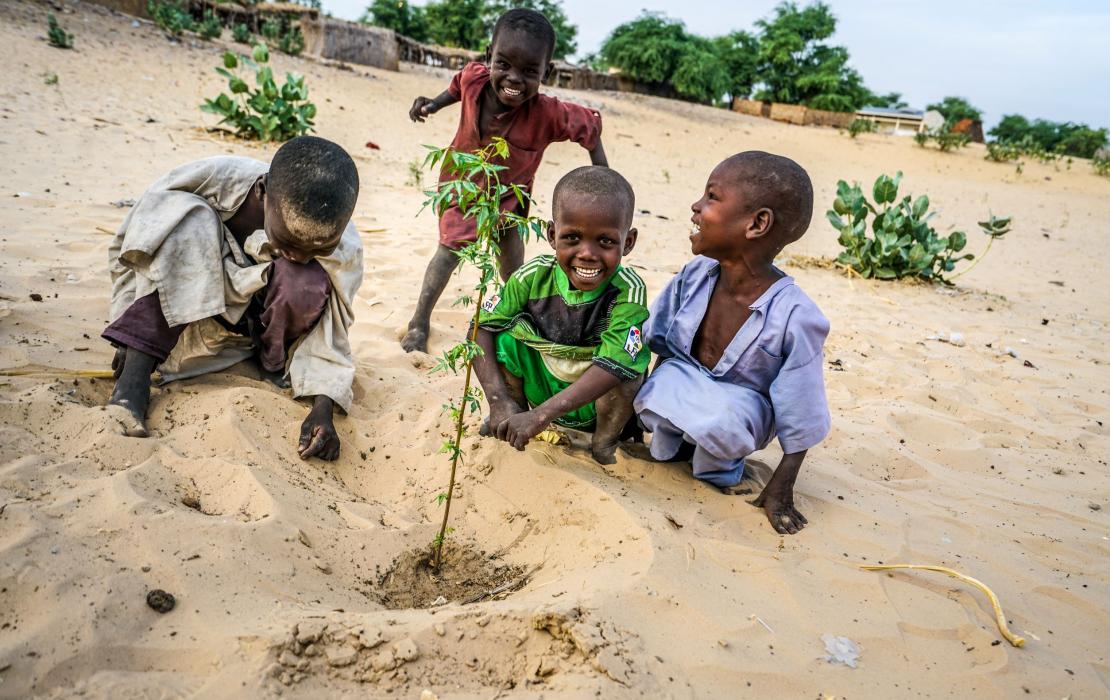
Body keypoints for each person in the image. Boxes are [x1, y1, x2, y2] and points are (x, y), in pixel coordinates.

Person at [102, 136, 363, 461]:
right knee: (188, 221)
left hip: (262, 327)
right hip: (194, 309)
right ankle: (133, 384)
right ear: (261, 191)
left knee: (304, 279)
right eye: (286, 241)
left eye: (318, 249)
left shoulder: (341, 243)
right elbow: (139, 248)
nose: (298, 255)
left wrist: (323, 407)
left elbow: (332, 333)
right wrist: (132, 340)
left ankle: (271, 362)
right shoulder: (209, 182)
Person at [633, 152, 831, 534]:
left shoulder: (795, 314)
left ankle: (720, 467)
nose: (696, 207)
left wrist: (781, 487)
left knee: (724, 419)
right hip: (688, 385)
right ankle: (675, 445)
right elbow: (657, 341)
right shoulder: (695, 275)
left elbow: (802, 407)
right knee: (657, 390)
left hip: (739, 411)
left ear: (757, 224)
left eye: (711, 197)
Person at [401, 7, 608, 353]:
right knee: (450, 249)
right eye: (504, 65)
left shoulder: (548, 114)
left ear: (547, 71)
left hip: (510, 199)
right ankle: (419, 321)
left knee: (512, 265)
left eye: (529, 71)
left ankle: (520, 322)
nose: (514, 79)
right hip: (462, 186)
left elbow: (590, 128)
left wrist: (604, 183)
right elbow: (456, 87)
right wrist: (433, 105)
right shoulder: (473, 79)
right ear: (488, 58)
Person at [473, 166, 646, 464]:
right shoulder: (533, 276)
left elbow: (615, 364)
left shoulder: (628, 291)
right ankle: (510, 419)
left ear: (627, 242)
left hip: (593, 403)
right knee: (502, 338)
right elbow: (479, 330)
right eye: (572, 238)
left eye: (605, 241)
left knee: (627, 369)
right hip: (541, 391)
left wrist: (542, 416)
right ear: (553, 235)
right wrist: (498, 400)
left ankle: (604, 444)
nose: (587, 253)